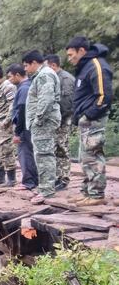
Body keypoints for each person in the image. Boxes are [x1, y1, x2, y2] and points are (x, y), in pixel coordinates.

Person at [66, 36, 114, 206]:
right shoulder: (84, 67)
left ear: (82, 51)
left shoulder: (96, 66)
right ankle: (87, 191)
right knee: (85, 157)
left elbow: (105, 96)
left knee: (93, 155)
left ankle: (96, 195)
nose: (70, 59)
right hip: (85, 122)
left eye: (72, 55)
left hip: (93, 120)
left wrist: (89, 115)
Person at [24, 50, 61, 204]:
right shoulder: (41, 75)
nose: (25, 69)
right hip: (41, 122)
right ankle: (44, 186)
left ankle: (46, 190)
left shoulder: (45, 74)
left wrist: (38, 119)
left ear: (34, 63)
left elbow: (46, 99)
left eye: (26, 65)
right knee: (41, 154)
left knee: (44, 155)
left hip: (44, 122)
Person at [44, 54, 76, 191]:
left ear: (53, 65)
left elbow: (67, 103)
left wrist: (58, 119)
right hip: (53, 120)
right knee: (54, 148)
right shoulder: (52, 78)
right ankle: (57, 177)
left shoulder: (66, 78)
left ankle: (63, 178)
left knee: (62, 148)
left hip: (63, 120)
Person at [7, 63, 38, 190]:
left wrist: (17, 133)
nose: (9, 80)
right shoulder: (26, 86)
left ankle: (29, 182)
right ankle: (32, 180)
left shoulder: (24, 88)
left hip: (25, 128)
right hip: (28, 126)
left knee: (25, 155)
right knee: (29, 154)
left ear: (17, 75)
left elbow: (22, 110)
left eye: (10, 77)